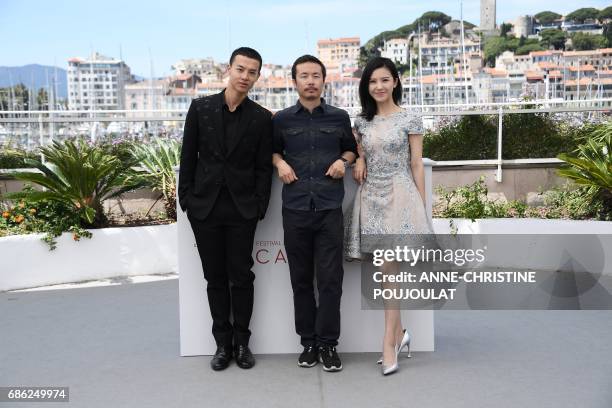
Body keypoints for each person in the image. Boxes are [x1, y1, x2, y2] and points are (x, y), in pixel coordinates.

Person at [178, 47, 273, 371]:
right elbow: (188, 157)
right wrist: (186, 199)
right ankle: (222, 345)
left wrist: (260, 205)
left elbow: (263, 168)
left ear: (257, 77)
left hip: (242, 209)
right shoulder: (200, 108)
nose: (245, 76)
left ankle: (243, 344)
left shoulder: (261, 118)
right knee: (214, 278)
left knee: (242, 277)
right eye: (241, 69)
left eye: (252, 72)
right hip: (204, 208)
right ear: (228, 70)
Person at [344, 57, 435, 375]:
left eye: (384, 80)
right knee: (386, 274)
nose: (379, 86)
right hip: (371, 196)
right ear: (365, 87)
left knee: (389, 272)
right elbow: (361, 152)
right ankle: (401, 333)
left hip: (400, 196)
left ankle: (388, 343)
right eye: (372, 82)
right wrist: (358, 159)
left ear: (395, 81)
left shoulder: (410, 118)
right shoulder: (361, 122)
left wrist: (421, 208)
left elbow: (416, 164)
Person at [272, 55, 357, 372]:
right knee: (301, 280)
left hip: (328, 209)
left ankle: (329, 345)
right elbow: (271, 149)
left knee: (332, 280)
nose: (310, 81)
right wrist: (279, 163)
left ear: (324, 80)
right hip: (295, 209)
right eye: (303, 76)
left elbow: (350, 147)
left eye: (315, 75)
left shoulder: (338, 117)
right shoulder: (281, 119)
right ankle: (308, 343)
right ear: (294, 81)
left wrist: (344, 160)